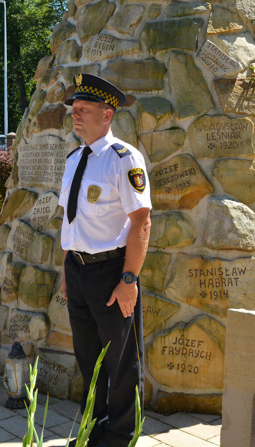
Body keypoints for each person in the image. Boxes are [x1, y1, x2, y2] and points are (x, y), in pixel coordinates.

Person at [59, 74, 152, 447]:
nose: (75, 116)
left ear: (107, 114)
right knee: (88, 357)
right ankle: (93, 429)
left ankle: (120, 435)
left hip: (111, 271)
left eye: (83, 110)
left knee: (122, 361)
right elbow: (71, 220)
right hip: (78, 270)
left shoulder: (123, 159)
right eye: (73, 111)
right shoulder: (73, 159)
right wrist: (67, 270)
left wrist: (129, 279)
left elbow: (141, 221)